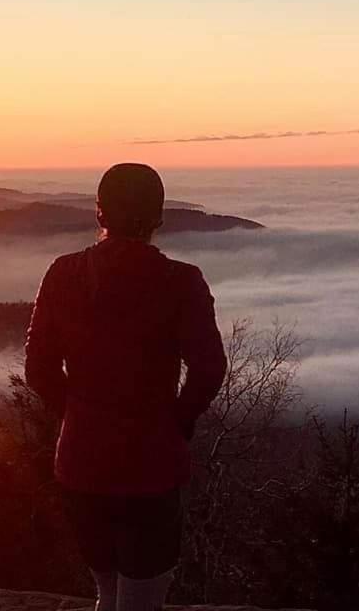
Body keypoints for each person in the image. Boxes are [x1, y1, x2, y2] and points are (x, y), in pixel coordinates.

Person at [25, 163, 227, 611]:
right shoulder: (181, 282)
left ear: (100, 212)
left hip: (80, 463)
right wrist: (177, 422)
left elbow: (38, 368)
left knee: (108, 591)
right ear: (158, 217)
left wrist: (77, 416)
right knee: (140, 600)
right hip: (151, 466)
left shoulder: (63, 273)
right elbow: (210, 368)